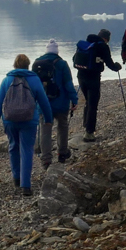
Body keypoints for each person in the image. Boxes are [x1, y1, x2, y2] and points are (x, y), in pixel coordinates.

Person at [0, 53, 54, 194]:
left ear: (15, 65)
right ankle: (26, 186)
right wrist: (49, 119)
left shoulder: (7, 80)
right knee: (27, 149)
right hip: (29, 120)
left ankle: (16, 179)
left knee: (13, 147)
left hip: (10, 120)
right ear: (28, 65)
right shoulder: (34, 80)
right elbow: (44, 102)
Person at [31, 39, 77, 168]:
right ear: (57, 51)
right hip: (61, 103)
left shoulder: (36, 64)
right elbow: (68, 84)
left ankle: (46, 159)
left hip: (43, 103)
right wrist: (74, 99)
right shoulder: (62, 64)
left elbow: (33, 85)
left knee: (45, 130)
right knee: (62, 126)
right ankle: (62, 153)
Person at [71, 26, 122, 141]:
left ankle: (86, 125)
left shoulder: (85, 44)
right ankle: (89, 133)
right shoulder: (103, 46)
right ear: (106, 38)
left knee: (88, 101)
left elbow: (74, 58)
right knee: (93, 104)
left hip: (81, 76)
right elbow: (109, 63)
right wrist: (117, 67)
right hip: (93, 78)